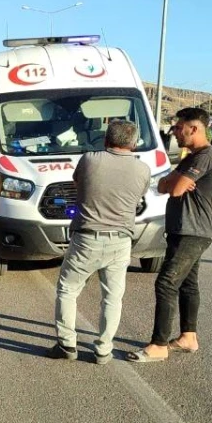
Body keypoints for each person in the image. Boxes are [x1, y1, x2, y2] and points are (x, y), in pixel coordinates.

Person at [47, 120, 150, 364]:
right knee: (112, 297)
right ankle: (104, 349)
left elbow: (77, 183)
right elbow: (140, 195)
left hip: (87, 239)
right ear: (134, 144)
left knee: (68, 290)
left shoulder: (90, 160)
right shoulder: (142, 169)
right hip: (121, 241)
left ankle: (67, 344)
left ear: (105, 140)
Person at [129, 107, 212, 363]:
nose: (175, 133)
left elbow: (177, 189)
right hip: (184, 229)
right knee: (188, 284)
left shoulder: (205, 156)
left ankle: (158, 345)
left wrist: (176, 182)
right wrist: (174, 181)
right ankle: (188, 338)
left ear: (194, 129)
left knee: (166, 283)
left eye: (179, 128)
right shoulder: (190, 158)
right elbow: (161, 185)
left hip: (193, 230)